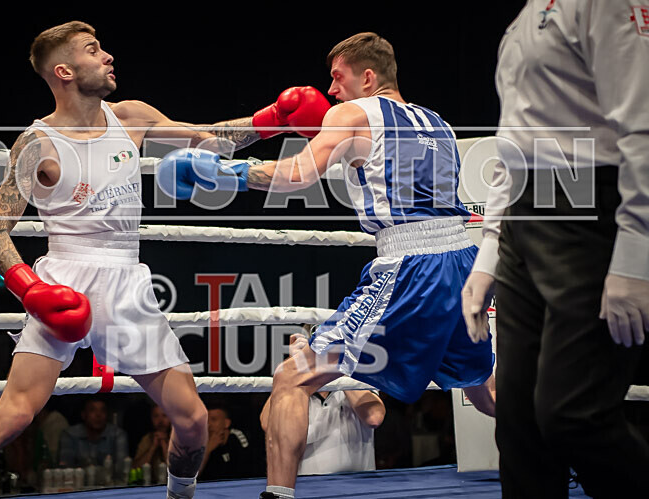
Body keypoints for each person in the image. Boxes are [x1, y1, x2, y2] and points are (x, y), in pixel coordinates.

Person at [0, 21, 330, 499]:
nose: (108, 56)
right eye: (94, 50)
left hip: (125, 282)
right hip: (64, 277)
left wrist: (272, 119)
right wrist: (30, 288)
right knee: (14, 413)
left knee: (193, 419)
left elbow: (210, 141)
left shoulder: (131, 116)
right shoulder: (38, 142)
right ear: (65, 70)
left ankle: (179, 496)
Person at [157, 32, 497, 499]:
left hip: (411, 265)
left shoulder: (352, 113)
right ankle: (573, 447)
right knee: (485, 389)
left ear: (368, 76)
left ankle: (279, 494)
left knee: (291, 377)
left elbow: (297, 176)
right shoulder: (436, 122)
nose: (331, 89)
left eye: (338, 77)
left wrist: (228, 173)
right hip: (462, 261)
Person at [461, 1, 649, 497]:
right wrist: (490, 253)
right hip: (524, 220)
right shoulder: (523, 19)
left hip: (593, 210)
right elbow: (513, 146)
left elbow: (644, 126)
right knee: (519, 426)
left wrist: (636, 253)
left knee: (573, 415)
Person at [259, 330, 385, 475]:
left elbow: (374, 418)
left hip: (355, 488)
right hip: (306, 489)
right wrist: (292, 366)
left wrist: (339, 366)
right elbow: (268, 424)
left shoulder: (358, 379)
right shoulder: (294, 388)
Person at [198, 405, 253, 481]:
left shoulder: (237, 437)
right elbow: (192, 476)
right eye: (206, 420)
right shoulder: (198, 440)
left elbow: (247, 471)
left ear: (226, 423)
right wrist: (208, 450)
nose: (208, 424)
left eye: (213, 420)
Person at [133, 403, 171, 484]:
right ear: (151, 419)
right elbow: (135, 469)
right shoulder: (147, 439)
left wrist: (164, 446)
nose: (160, 421)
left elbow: (179, 473)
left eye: (164, 415)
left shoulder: (178, 438)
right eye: (156, 416)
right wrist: (153, 447)